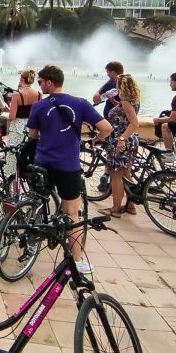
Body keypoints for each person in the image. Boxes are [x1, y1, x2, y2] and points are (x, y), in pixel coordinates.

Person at [27, 65, 112, 274]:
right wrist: (96, 140)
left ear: (50, 82)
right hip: (68, 166)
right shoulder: (80, 104)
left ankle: (32, 232)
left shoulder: (39, 106)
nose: (39, 85)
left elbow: (32, 135)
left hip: (42, 163)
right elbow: (107, 128)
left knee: (36, 200)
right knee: (72, 213)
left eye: (41, 82)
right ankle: (77, 261)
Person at [99, 74, 140, 218]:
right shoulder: (131, 100)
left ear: (120, 86)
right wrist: (115, 101)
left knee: (116, 176)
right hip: (130, 141)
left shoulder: (127, 103)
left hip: (120, 142)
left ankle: (115, 209)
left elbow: (134, 123)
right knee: (126, 174)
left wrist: (121, 139)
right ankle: (130, 205)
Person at [5, 68, 41, 147]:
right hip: (31, 128)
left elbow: (12, 116)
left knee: (13, 154)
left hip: (18, 128)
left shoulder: (17, 95)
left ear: (21, 79)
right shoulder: (38, 94)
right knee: (28, 153)